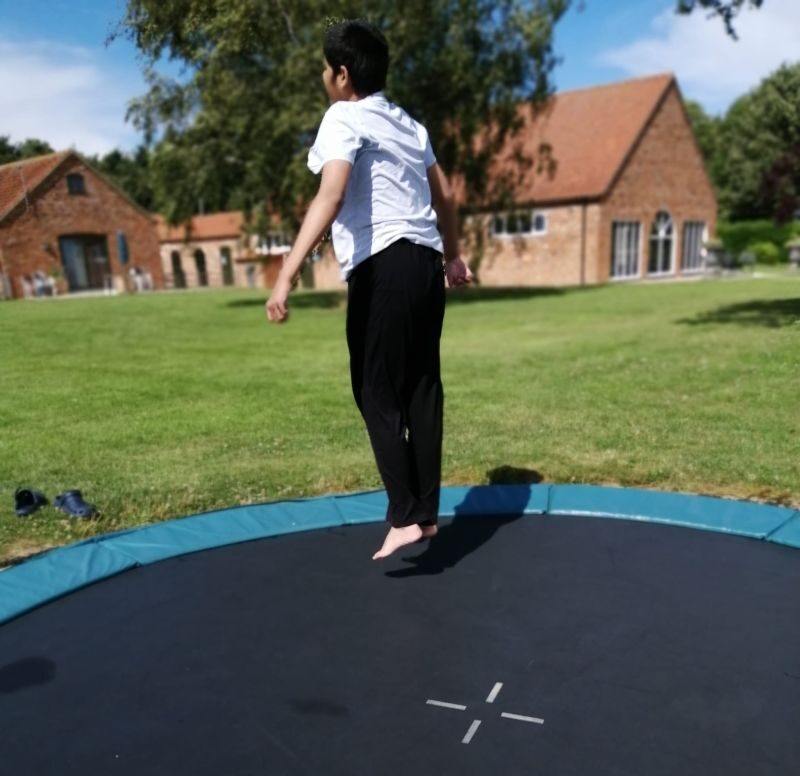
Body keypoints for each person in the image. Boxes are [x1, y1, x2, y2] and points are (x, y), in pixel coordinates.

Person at [266, 19, 472, 560]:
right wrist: (452, 256)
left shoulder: (343, 116)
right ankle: (424, 514)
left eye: (324, 68)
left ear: (341, 74)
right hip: (425, 264)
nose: (323, 76)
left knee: (374, 389)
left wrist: (287, 272)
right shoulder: (410, 125)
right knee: (422, 386)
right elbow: (446, 195)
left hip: (384, 265)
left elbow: (330, 194)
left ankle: (404, 515)